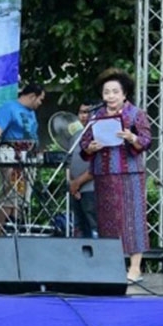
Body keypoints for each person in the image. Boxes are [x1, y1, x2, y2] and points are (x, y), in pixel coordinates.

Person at [81, 68, 151, 282]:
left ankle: (135, 268)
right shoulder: (96, 116)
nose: (110, 96)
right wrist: (91, 147)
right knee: (107, 221)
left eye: (114, 92)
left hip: (129, 174)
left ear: (124, 94)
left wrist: (131, 137)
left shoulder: (135, 114)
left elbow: (147, 139)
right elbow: (84, 145)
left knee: (133, 219)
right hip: (104, 175)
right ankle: (112, 267)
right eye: (106, 92)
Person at [0, 82, 45, 232]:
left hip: (29, 157)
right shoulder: (9, 107)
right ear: (33, 96)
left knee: (22, 198)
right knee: (10, 196)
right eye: (40, 100)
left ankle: (16, 234)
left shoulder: (32, 113)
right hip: (11, 154)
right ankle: (1, 235)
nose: (40, 103)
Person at [67, 102, 98, 238]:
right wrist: (72, 184)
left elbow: (98, 165)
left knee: (94, 228)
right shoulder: (76, 135)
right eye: (81, 112)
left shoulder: (98, 133)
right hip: (76, 190)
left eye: (87, 112)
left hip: (92, 189)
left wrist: (78, 182)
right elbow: (69, 161)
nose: (84, 116)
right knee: (79, 229)